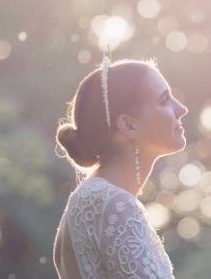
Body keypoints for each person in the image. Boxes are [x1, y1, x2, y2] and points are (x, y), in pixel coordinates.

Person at [53, 58, 188, 279]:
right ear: (129, 125)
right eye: (165, 100)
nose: (181, 109)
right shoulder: (110, 202)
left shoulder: (98, 198)